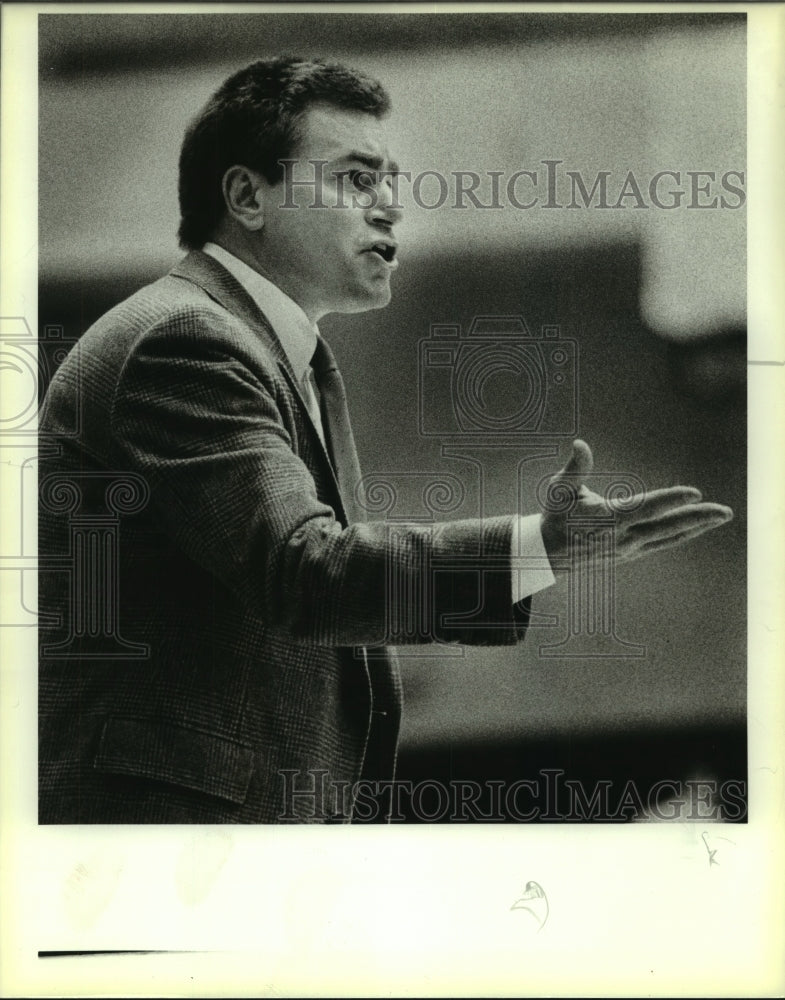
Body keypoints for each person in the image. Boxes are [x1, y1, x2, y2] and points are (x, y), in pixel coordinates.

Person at [37, 56, 733, 824]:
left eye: (389, 182)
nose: (389, 209)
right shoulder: (187, 339)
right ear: (246, 196)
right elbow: (305, 573)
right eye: (356, 179)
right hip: (162, 845)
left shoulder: (262, 346)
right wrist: (534, 547)